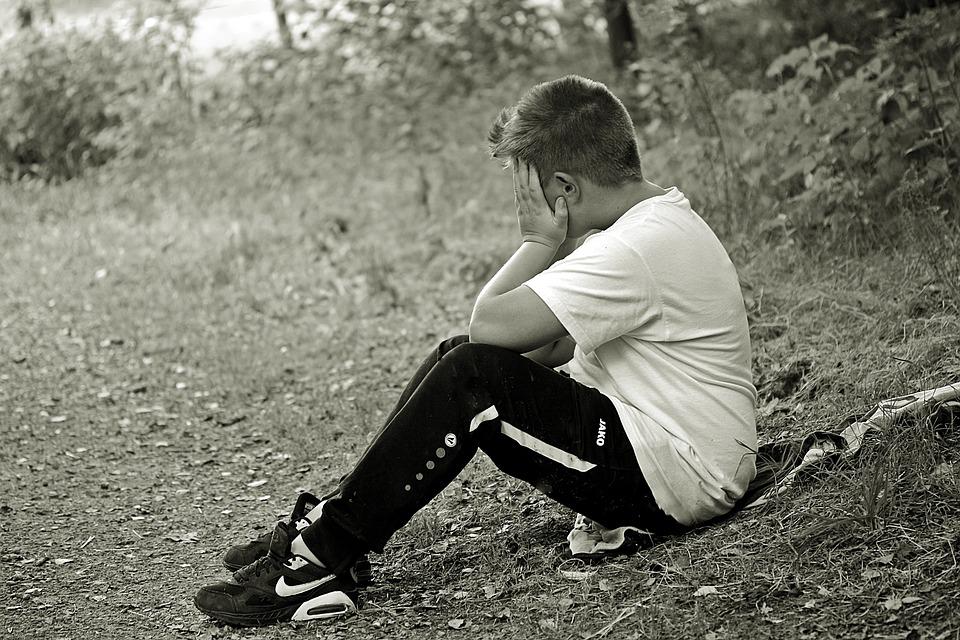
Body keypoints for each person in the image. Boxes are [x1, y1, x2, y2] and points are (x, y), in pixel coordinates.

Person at [193, 75, 757, 627]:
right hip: (667, 452)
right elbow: (551, 343)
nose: (528, 205)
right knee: (458, 356)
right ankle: (333, 521)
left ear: (566, 188)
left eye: (531, 191)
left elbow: (490, 328)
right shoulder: (647, 226)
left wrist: (539, 242)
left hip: (680, 479)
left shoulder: (634, 248)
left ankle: (320, 558)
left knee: (472, 372)